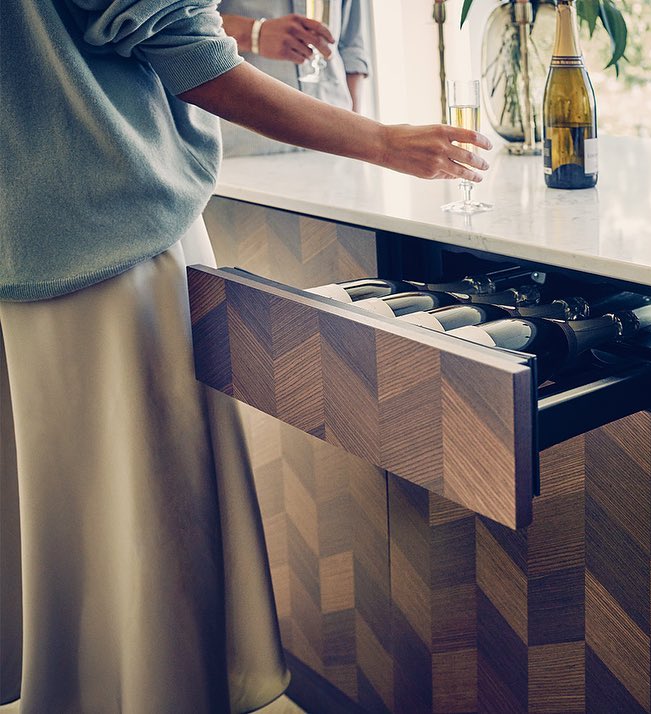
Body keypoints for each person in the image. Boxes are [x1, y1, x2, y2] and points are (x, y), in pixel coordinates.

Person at [1, 1, 489, 711]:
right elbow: (190, 53)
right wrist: (385, 141)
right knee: (152, 515)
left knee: (62, 520)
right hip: (112, 230)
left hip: (20, 236)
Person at [217, 0, 371, 156]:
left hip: (335, 140)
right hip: (245, 144)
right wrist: (253, 33)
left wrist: (356, 131)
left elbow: (352, 47)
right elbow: (200, 27)